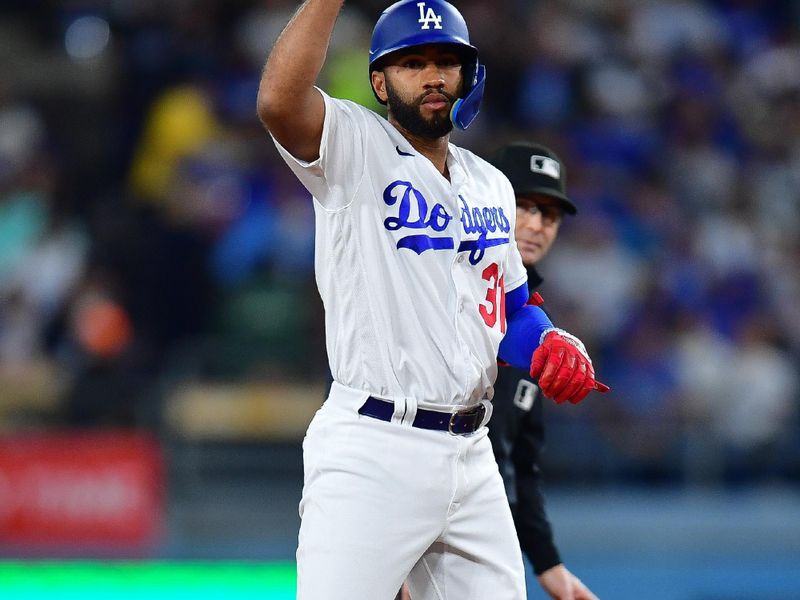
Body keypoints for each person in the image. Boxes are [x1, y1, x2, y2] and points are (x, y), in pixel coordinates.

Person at [256, 1, 607, 598]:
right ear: (379, 82)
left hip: (472, 453)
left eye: (446, 61)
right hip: (374, 447)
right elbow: (278, 102)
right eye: (412, 63)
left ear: (468, 75)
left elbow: (511, 310)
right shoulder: (354, 148)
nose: (432, 76)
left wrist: (548, 340)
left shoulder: (491, 184)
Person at [489, 142, 599, 600]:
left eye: (549, 215)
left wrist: (548, 562)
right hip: (404, 515)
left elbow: (519, 464)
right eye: (524, 206)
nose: (536, 224)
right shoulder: (443, 283)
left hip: (476, 532)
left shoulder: (538, 331)